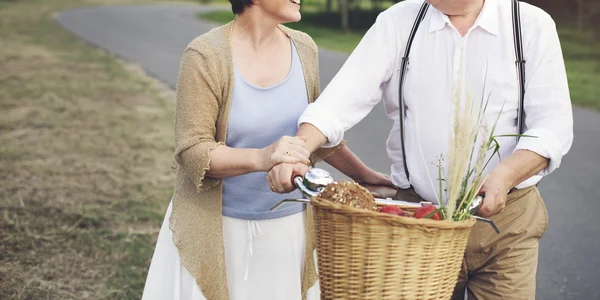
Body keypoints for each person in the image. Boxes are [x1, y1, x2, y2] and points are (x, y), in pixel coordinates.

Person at [268, 0, 573, 299]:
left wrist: (506, 175)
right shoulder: (399, 22)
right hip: (418, 222)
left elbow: (553, 125)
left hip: (506, 225)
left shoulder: (530, 25)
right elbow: (337, 103)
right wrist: (296, 152)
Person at [140, 0, 393, 298]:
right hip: (216, 227)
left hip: (287, 229)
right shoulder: (205, 55)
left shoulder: (304, 48)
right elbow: (193, 151)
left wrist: (365, 176)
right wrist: (263, 157)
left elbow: (314, 133)